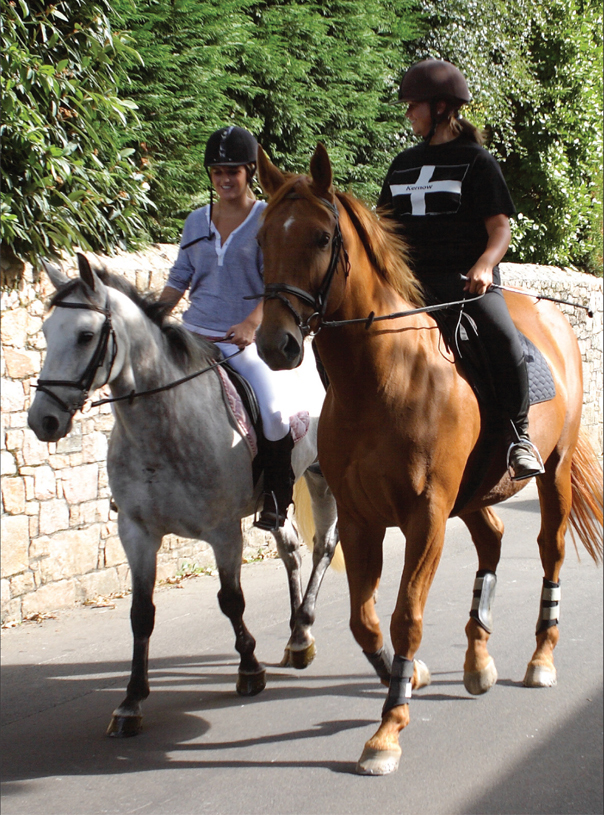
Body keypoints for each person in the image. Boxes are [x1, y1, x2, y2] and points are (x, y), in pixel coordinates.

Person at [378, 58, 544, 480]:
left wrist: (486, 265)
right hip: (409, 288)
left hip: (467, 285)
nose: (408, 113)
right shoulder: (401, 166)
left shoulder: (477, 162)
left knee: (504, 339)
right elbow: (382, 230)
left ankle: (519, 436)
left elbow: (500, 228)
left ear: (439, 108)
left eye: (413, 105)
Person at [159, 125, 295, 528]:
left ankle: (275, 495)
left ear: (250, 171)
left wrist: (253, 322)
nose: (224, 180)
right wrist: (154, 315)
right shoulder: (195, 222)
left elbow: (276, 284)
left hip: (242, 341)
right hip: (193, 334)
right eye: (217, 172)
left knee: (273, 413)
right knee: (148, 390)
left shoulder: (267, 220)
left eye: (232, 171)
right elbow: (180, 276)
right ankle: (147, 482)